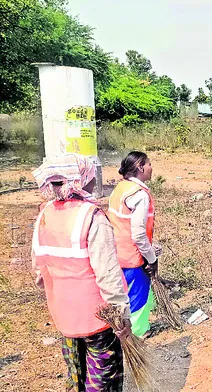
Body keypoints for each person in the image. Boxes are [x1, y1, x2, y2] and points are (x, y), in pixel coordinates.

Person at [31, 153, 131, 392]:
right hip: (98, 319)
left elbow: (38, 266)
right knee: (102, 380)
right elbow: (108, 274)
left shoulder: (45, 214)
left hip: (64, 316)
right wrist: (121, 314)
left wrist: (60, 296)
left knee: (76, 373)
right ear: (81, 179)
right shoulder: (92, 217)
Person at [108, 151, 159, 338]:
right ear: (140, 167)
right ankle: (137, 333)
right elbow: (138, 234)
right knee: (138, 297)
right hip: (133, 257)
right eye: (149, 164)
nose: (152, 168)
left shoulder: (120, 188)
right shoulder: (140, 195)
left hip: (116, 254)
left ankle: (120, 329)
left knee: (121, 296)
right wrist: (152, 259)